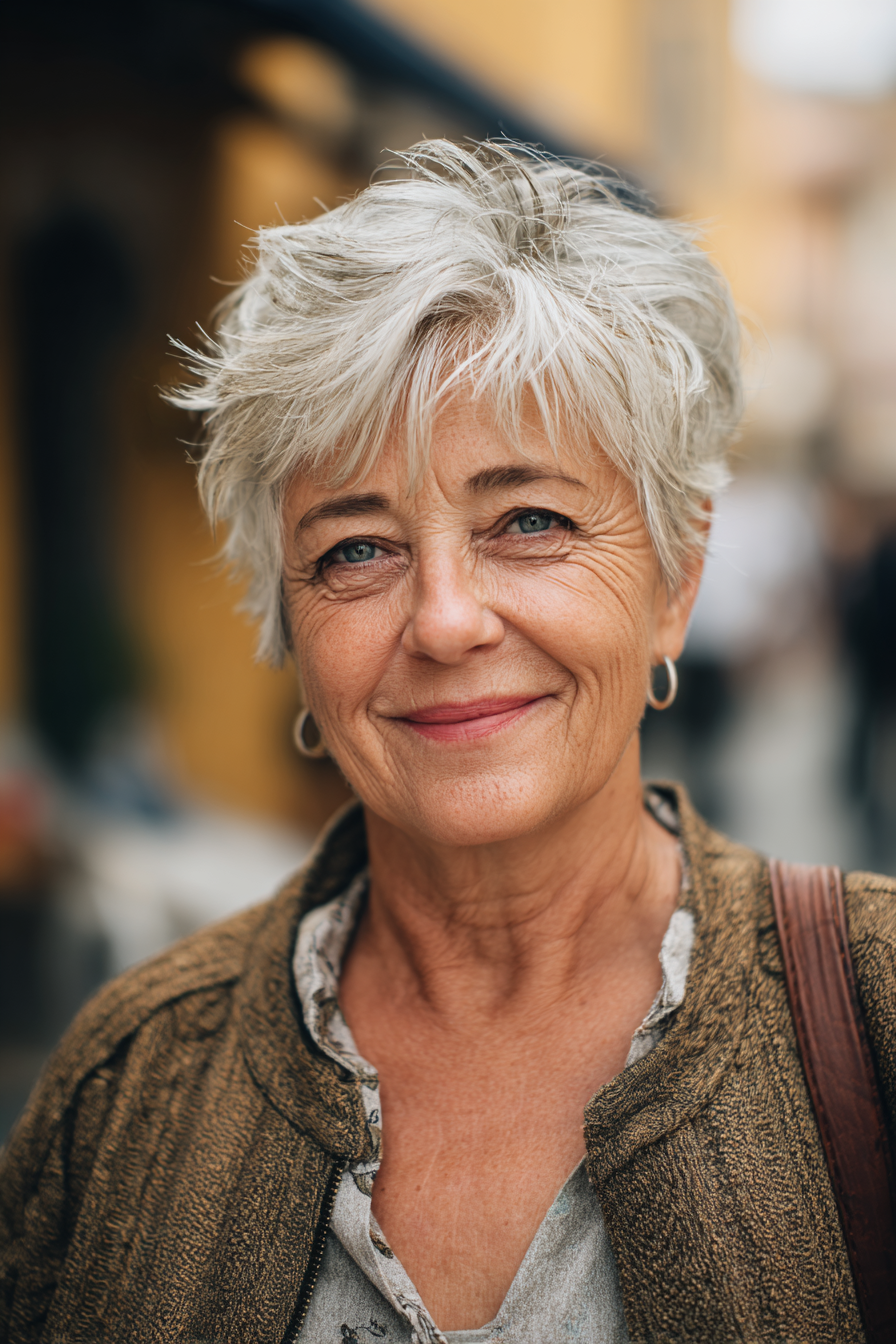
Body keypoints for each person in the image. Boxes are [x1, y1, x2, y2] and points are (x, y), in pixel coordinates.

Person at [1, 139, 893, 1344]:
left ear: (674, 583)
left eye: (527, 521)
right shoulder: (128, 1086)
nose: (442, 619)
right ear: (289, 626)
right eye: (356, 549)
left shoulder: (875, 1013)